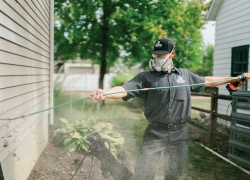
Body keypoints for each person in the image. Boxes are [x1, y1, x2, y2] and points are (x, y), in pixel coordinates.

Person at [89, 37, 247, 180]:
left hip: (180, 134)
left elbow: (207, 81)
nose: (158, 58)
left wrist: (233, 79)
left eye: (162, 55)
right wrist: (105, 93)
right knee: (144, 174)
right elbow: (124, 89)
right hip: (155, 134)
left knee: (173, 175)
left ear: (172, 54)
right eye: (156, 55)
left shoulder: (184, 76)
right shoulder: (146, 77)